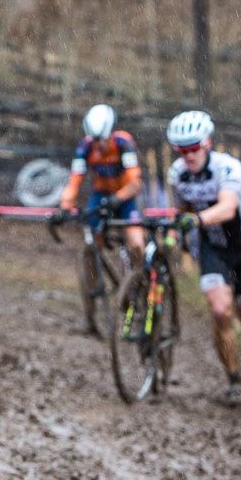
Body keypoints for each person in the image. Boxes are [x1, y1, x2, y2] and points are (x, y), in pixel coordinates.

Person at [165, 110, 241, 406]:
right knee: (220, 310)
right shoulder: (178, 174)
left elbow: (227, 208)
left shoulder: (228, 168)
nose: (188, 155)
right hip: (212, 248)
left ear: (207, 143)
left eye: (193, 148)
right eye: (181, 150)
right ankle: (234, 379)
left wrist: (195, 220)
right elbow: (181, 210)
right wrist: (175, 232)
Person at [54, 103, 145, 333]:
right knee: (90, 246)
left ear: (111, 132)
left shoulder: (124, 143)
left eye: (103, 139)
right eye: (96, 141)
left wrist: (118, 198)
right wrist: (65, 206)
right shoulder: (86, 146)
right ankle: (91, 310)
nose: (100, 145)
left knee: (135, 242)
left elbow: (135, 182)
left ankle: (140, 284)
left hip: (124, 197)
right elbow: (75, 179)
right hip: (100, 195)